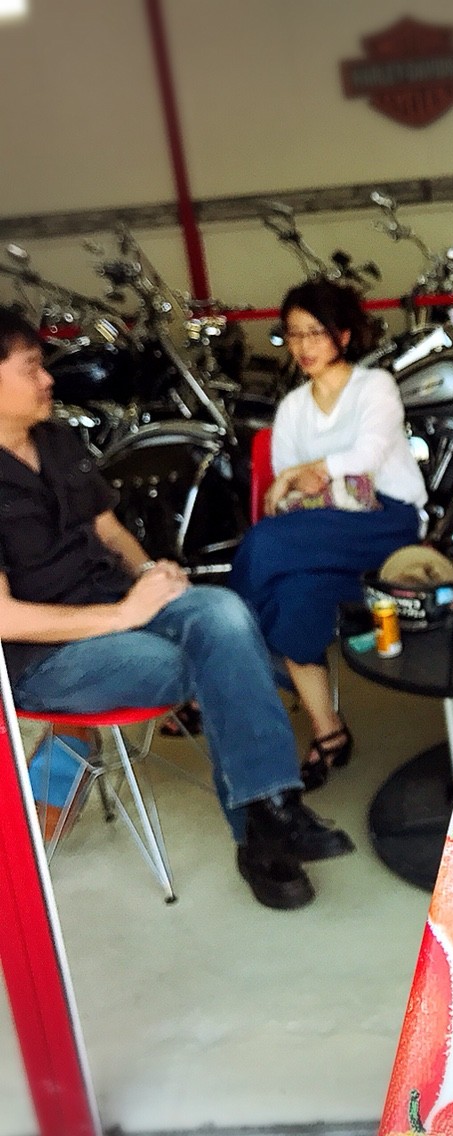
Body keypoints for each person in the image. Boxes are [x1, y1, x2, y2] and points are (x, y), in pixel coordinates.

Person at [0, 308, 353, 911]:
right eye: (32, 368)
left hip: (118, 602)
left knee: (225, 614)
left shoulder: (55, 439)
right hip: (48, 659)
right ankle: (264, 834)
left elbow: (109, 528)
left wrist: (148, 574)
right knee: (205, 660)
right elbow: (5, 617)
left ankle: (272, 813)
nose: (49, 379)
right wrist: (122, 616)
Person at [229, 280, 427, 791]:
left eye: (315, 333)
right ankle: (329, 732)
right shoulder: (293, 406)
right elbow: (287, 482)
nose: (303, 346)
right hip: (321, 528)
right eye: (293, 335)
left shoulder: (374, 386)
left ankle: (222, 660)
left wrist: (310, 470)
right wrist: (308, 475)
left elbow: (367, 456)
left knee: (264, 544)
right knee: (296, 596)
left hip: (387, 521)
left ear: (343, 335)